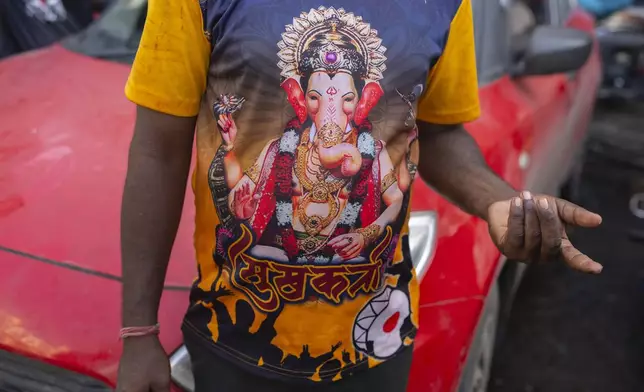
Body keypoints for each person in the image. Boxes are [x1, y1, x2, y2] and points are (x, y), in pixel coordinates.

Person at [117, 0, 603, 391]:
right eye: (320, 96)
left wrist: (499, 203)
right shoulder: (281, 145)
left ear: (360, 100)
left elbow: (436, 131)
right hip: (236, 336)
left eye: (345, 97)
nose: (332, 109)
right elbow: (159, 149)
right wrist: (138, 333)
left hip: (375, 341)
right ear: (301, 97)